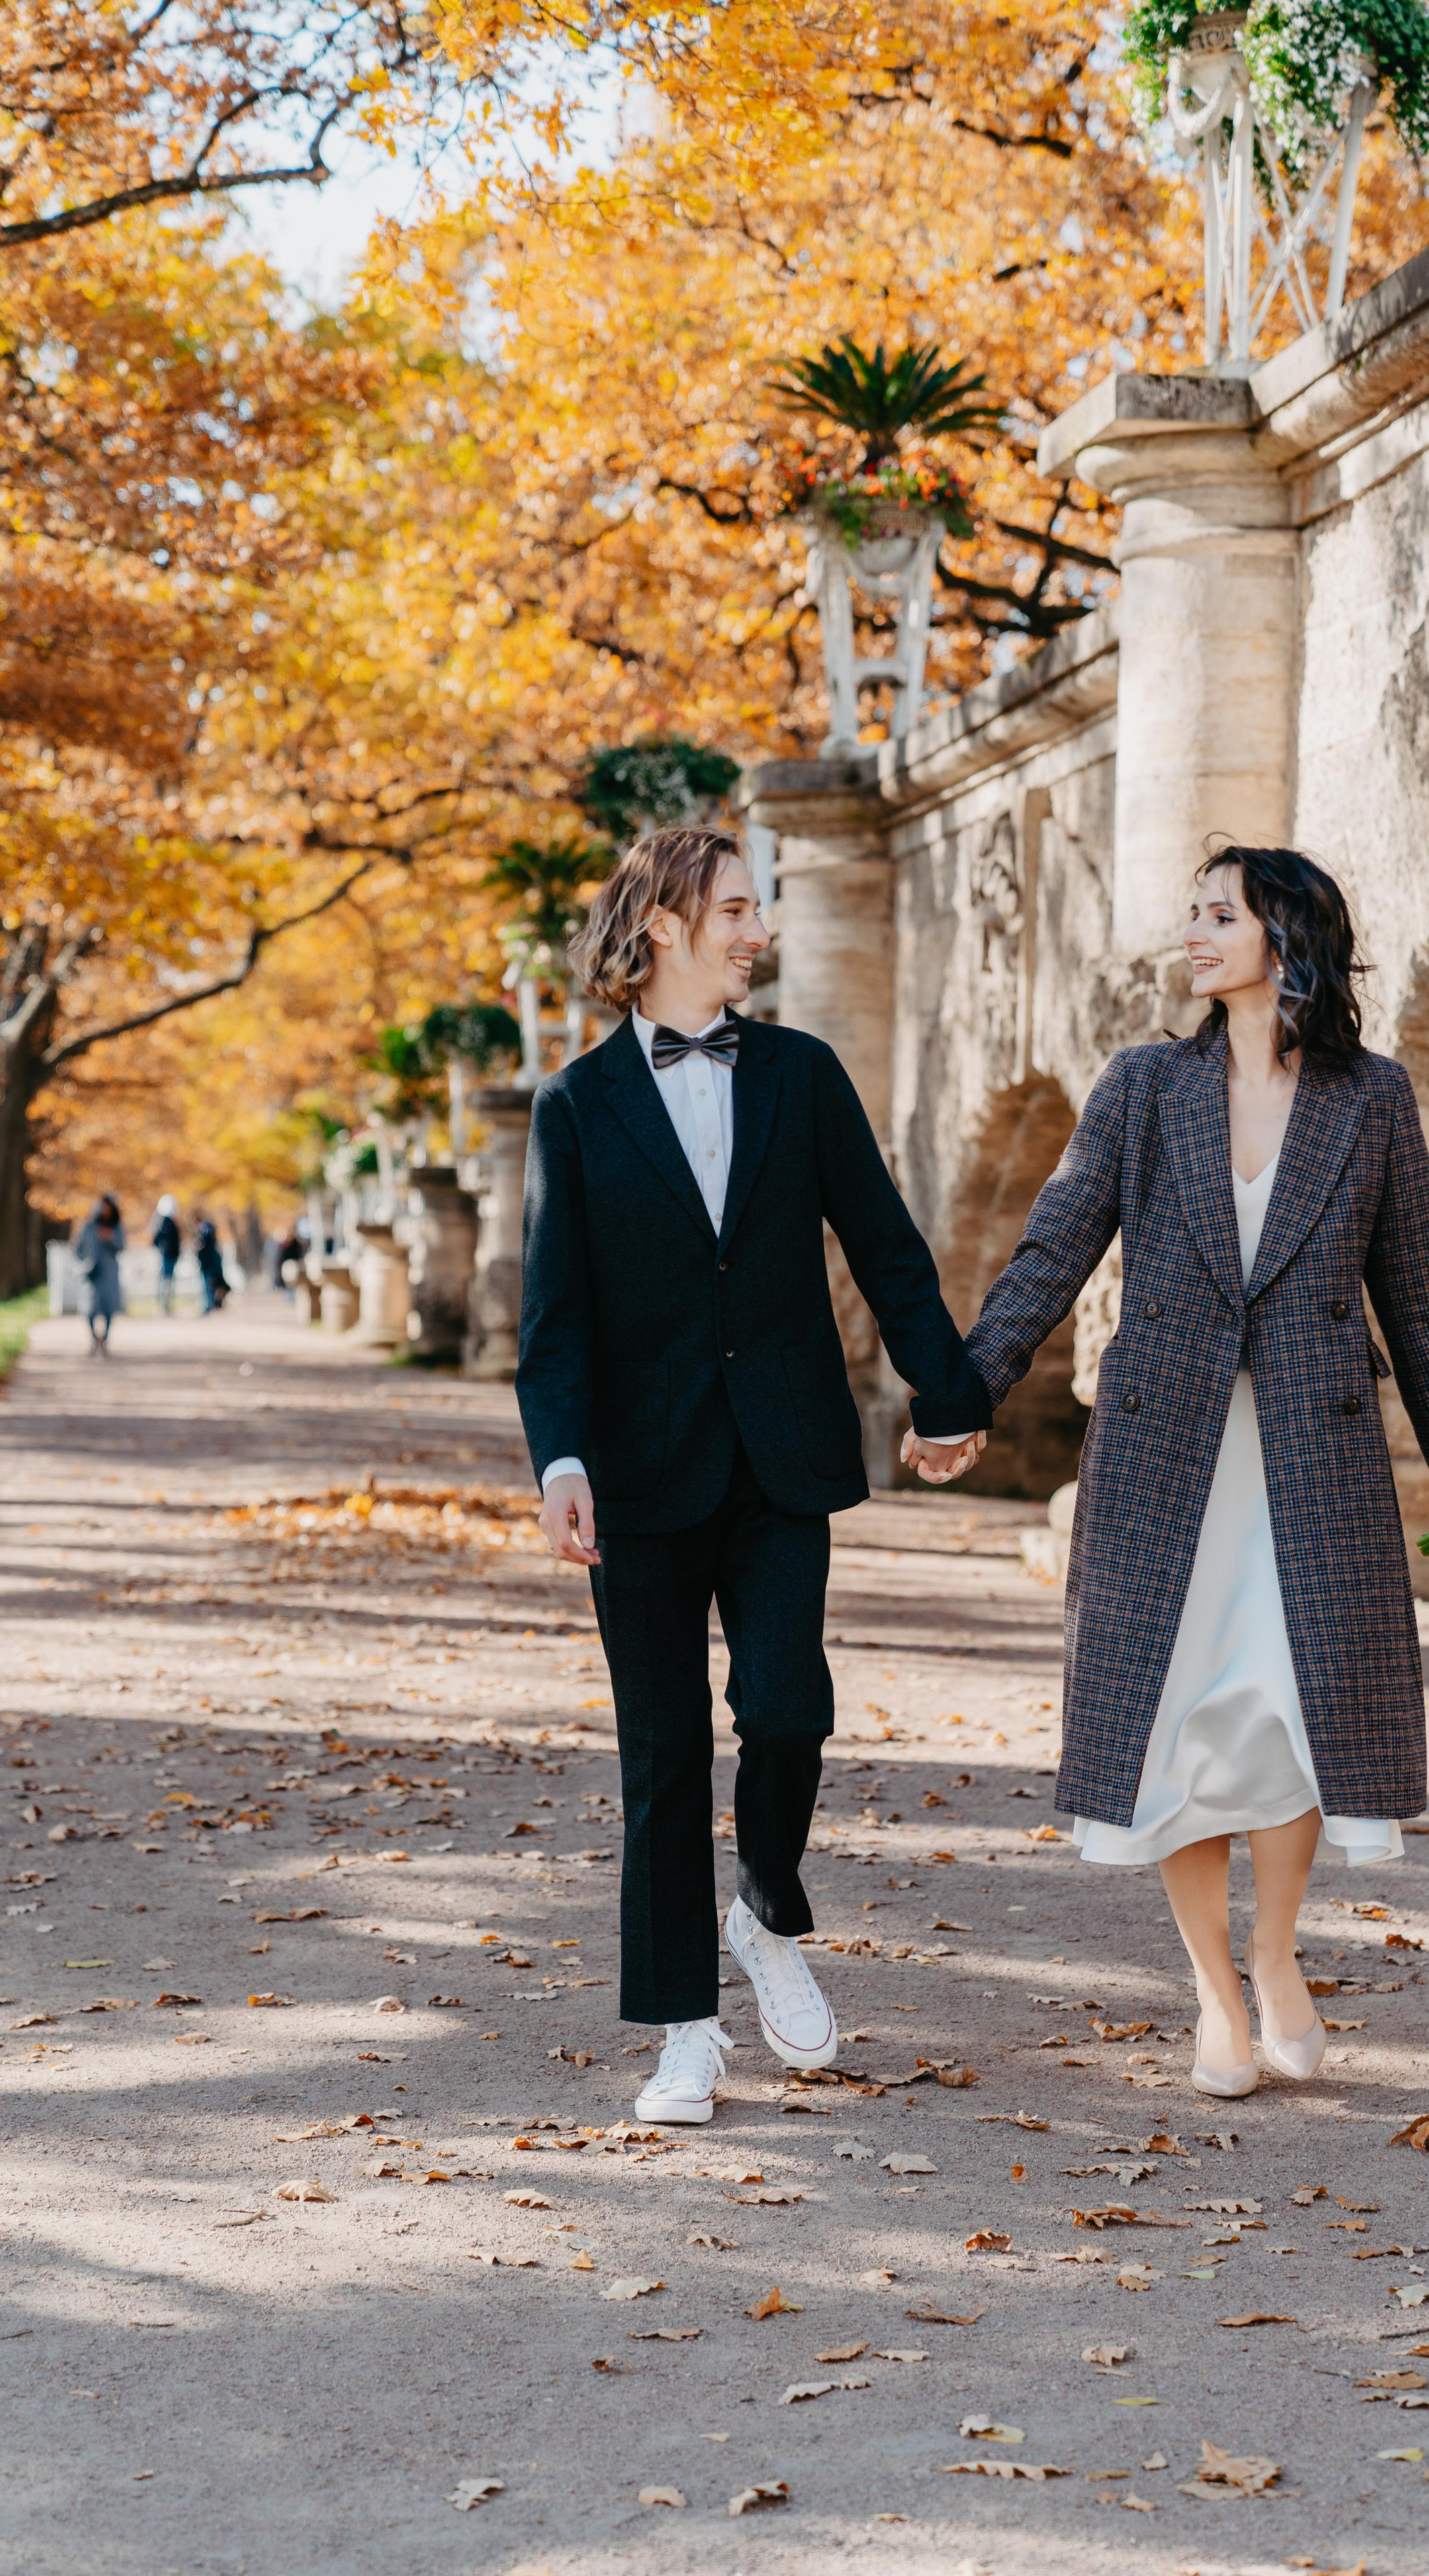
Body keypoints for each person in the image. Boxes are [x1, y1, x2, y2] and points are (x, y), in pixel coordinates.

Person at [958, 845, 1429, 2098]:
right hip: (1166, 1454)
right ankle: (1215, 1989)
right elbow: (1053, 1247)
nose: (1195, 932)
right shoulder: (1144, 1085)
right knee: (1179, 1719)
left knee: (1294, 1713)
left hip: (1314, 1455)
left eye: (1221, 913)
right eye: (1193, 911)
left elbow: (1415, 1307)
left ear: (1285, 935)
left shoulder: (1372, 1100)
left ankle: (1277, 1956)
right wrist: (967, 1393)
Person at [516, 825, 990, 2126]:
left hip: (782, 1456)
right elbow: (550, 1319)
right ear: (662, 923)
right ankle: (682, 2029)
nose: (756, 930)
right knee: (662, 1749)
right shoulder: (573, 1105)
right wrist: (558, 1458)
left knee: (787, 1710)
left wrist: (949, 1394)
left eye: (756, 907)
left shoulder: (801, 1073)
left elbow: (886, 1246)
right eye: (734, 908)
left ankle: (767, 1907)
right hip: (635, 1477)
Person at [75, 1194, 126, 1355]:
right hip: (92, 1273)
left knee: (109, 1307)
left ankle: (105, 1340)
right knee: (90, 1308)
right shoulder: (89, 1227)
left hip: (109, 1272)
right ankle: (94, 1339)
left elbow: (122, 1247)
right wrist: (85, 1262)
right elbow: (78, 1248)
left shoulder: (116, 1228)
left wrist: (110, 1239)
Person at [151, 1196, 181, 1314]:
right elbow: (159, 1240)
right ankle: (164, 1306)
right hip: (167, 1256)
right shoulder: (165, 1223)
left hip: (169, 1256)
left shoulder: (167, 1223)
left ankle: (166, 1306)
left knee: (167, 1281)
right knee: (166, 1281)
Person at [193, 1217, 228, 1313]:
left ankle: (210, 1305)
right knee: (213, 1284)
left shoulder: (204, 1231)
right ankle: (213, 1304)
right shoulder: (209, 1231)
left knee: (209, 1284)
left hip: (208, 1264)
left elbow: (204, 1246)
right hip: (211, 1263)